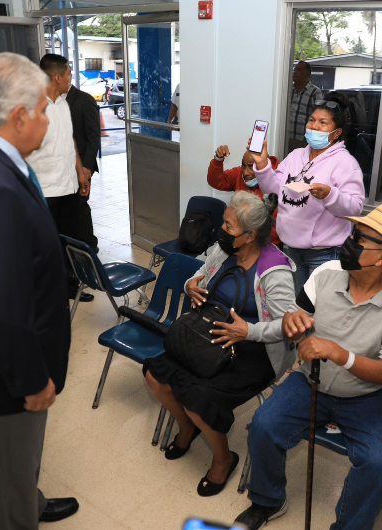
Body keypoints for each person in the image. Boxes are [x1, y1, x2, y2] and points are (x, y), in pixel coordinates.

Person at [234, 205, 382, 530]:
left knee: (377, 462)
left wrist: (339, 354)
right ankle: (268, 500)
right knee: (263, 425)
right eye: (352, 234)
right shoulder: (326, 272)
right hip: (311, 381)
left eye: (361, 239)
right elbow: (294, 314)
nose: (350, 241)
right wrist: (291, 321)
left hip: (367, 396)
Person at [145, 192, 296, 497]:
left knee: (198, 399)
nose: (220, 232)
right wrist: (192, 285)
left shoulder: (274, 271)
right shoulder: (224, 250)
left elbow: (287, 327)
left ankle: (224, 459)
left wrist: (248, 332)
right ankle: (187, 427)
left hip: (254, 352)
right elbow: (201, 272)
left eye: (228, 227)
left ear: (250, 235)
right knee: (155, 375)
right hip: (208, 335)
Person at [0, 52, 78, 530]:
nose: (48, 116)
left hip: (11, 370)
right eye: (42, 109)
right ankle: (22, 510)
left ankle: (31, 498)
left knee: (18, 472)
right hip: (5, 385)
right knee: (5, 489)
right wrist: (31, 381)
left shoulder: (2, 163)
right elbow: (1, 308)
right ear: (18, 117)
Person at [251, 91, 365, 295]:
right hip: (290, 249)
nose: (314, 126)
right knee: (295, 306)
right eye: (312, 120)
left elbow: (356, 207)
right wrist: (262, 165)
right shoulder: (296, 155)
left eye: (323, 123)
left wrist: (330, 194)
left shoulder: (346, 163)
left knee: (318, 310)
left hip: (325, 254)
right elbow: (274, 189)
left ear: (336, 133)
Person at [27, 53, 93, 302]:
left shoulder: (63, 104)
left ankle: (69, 285)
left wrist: (80, 173)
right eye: (68, 73)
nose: (71, 78)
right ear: (57, 77)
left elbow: (70, 141)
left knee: (69, 240)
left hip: (68, 186)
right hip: (44, 191)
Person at [207, 144, 280, 245]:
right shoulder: (239, 174)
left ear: (263, 165)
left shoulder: (277, 181)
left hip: (266, 243)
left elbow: (275, 225)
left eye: (251, 167)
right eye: (244, 166)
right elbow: (215, 181)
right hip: (241, 240)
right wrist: (218, 160)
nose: (245, 172)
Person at [66, 82, 100, 252]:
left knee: (80, 209)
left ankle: (90, 249)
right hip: (62, 167)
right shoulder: (50, 101)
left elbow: (94, 137)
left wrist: (86, 168)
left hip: (81, 167)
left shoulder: (84, 100)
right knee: (67, 211)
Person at [289, 61, 323, 153]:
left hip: (303, 140)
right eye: (294, 69)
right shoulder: (287, 90)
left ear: (308, 73)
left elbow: (319, 117)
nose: (295, 72)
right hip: (285, 137)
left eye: (299, 70)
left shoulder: (315, 92)